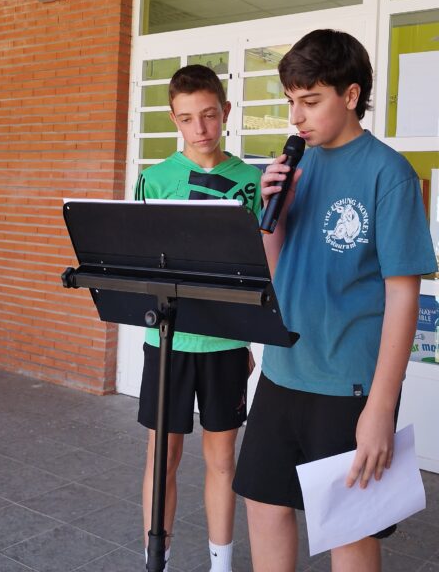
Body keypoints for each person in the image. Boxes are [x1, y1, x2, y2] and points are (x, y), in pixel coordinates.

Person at [231, 29, 436, 571]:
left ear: (350, 95)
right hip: (284, 369)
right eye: (291, 102)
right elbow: (275, 271)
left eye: (310, 101)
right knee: (263, 504)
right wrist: (273, 215)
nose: (296, 117)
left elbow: (403, 299)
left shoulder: (388, 174)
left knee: (349, 528)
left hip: (349, 384)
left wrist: (380, 408)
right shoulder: (297, 165)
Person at [133, 65, 260, 572]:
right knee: (162, 458)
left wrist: (247, 340)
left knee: (222, 461)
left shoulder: (251, 182)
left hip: (225, 344)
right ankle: (155, 560)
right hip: (167, 342)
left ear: (225, 111)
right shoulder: (154, 179)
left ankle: (220, 565)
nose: (200, 128)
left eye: (209, 115)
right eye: (187, 118)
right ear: (174, 120)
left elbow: (255, 272)